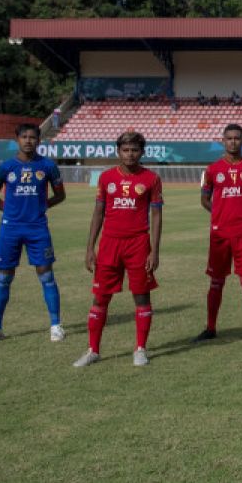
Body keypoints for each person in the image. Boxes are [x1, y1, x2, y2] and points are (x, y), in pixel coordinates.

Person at [73, 131, 163, 367]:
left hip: (138, 244)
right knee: (100, 298)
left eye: (134, 150)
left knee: (141, 296)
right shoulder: (106, 178)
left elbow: (156, 215)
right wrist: (90, 248)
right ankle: (93, 349)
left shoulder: (151, 179)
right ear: (118, 151)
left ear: (142, 152)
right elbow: (98, 212)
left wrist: (154, 250)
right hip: (109, 244)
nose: (130, 154)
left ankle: (140, 349)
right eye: (125, 150)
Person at [0, 123, 66, 345]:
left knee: (46, 276)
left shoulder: (48, 166)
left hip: (37, 228)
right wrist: (9, 210)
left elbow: (60, 195)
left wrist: (42, 206)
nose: (28, 140)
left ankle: (56, 326)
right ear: (17, 139)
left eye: (33, 137)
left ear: (39, 140)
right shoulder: (5, 167)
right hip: (10, 228)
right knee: (4, 278)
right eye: (24, 137)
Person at [194, 124, 242, 344]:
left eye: (237, 138)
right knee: (216, 281)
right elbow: (204, 198)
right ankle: (210, 327)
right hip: (219, 233)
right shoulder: (212, 169)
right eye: (229, 138)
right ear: (223, 141)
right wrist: (218, 214)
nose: (233, 141)